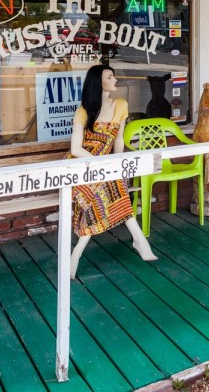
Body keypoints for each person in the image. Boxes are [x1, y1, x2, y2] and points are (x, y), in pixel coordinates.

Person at [69, 64, 157, 277]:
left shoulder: (121, 105)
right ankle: (138, 240)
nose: (115, 80)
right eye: (110, 77)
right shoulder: (83, 111)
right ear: (98, 82)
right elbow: (75, 149)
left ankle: (76, 254)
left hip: (107, 165)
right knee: (105, 189)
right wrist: (100, 164)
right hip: (82, 166)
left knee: (110, 186)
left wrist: (116, 164)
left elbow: (118, 139)